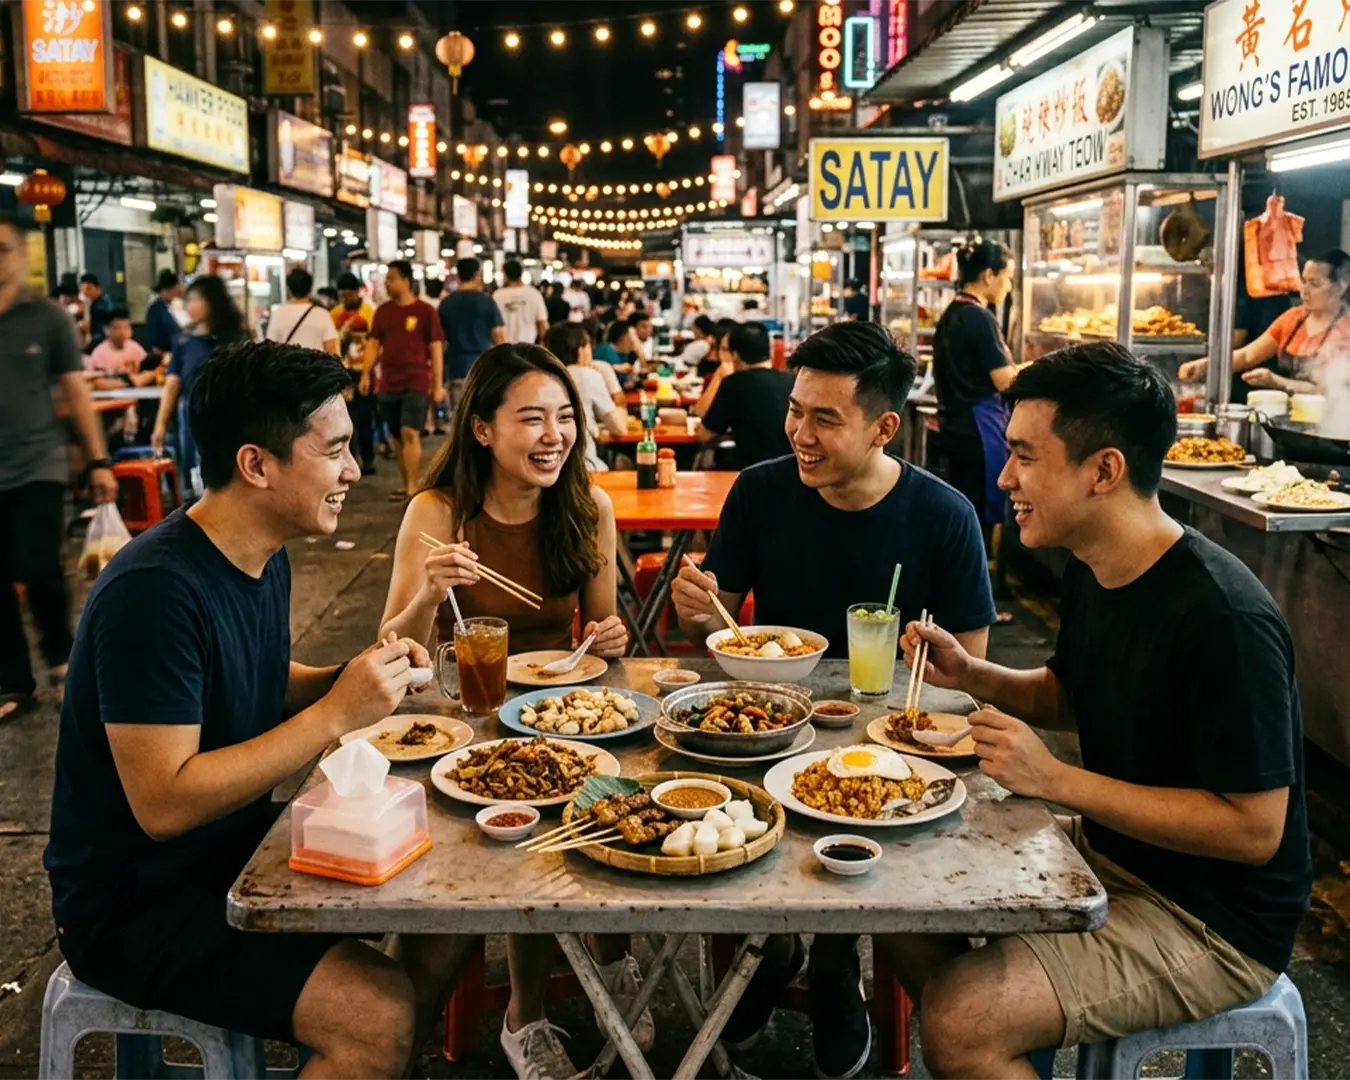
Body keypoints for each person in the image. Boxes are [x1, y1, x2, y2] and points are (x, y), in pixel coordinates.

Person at [45, 339, 472, 1079]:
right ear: (256, 464)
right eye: (334, 451)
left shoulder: (259, 550)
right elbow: (163, 802)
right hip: (138, 904)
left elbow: (260, 681)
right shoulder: (154, 593)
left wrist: (352, 677)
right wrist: (337, 714)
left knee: (454, 916)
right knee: (377, 1016)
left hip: (238, 855)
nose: (351, 471)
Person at [886, 342, 1310, 1077]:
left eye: (1024, 456)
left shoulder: (1222, 617)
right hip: (1116, 855)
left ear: (1103, 471)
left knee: (961, 1018)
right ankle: (1012, 1040)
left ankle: (990, 1034)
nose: (1004, 476)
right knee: (895, 896)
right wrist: (975, 673)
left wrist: (1054, 780)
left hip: (1213, 918)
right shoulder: (1095, 564)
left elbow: (1254, 831)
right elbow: (1069, 693)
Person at [672, 320, 996, 1080]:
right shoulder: (759, 490)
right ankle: (773, 943)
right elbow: (716, 618)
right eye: (795, 410)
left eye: (825, 418)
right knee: (715, 827)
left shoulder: (943, 515)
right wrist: (695, 607)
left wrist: (940, 681)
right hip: (766, 726)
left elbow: (971, 670)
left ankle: (832, 954)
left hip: (886, 747)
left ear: (885, 426)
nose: (799, 434)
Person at [379, 343, 639, 1080]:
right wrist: (431, 591)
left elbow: (602, 638)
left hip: (565, 715)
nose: (554, 434)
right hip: (467, 720)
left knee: (615, 809)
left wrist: (610, 638)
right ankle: (526, 1015)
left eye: (565, 417)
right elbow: (391, 648)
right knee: (535, 842)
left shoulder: (589, 505)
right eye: (532, 418)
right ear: (484, 429)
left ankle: (614, 969)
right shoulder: (437, 510)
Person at [0, 213, 118, 722]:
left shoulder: (48, 319)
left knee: (36, 562)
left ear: (24, 255)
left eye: (3, 248)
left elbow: (74, 390)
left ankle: (60, 656)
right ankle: (13, 681)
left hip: (37, 465)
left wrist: (98, 460)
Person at [931, 239, 1018, 539]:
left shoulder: (951, 313)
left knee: (963, 510)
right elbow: (1005, 381)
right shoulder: (979, 317)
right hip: (980, 433)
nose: (1009, 286)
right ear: (988, 275)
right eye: (1007, 277)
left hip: (957, 428)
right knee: (979, 517)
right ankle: (983, 581)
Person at [1180, 249, 1350, 395]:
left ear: (1340, 287)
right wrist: (1204, 365)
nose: (1304, 290)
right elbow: (1247, 356)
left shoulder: (1346, 329)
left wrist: (1278, 382)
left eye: (1314, 284)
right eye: (1303, 281)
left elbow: (1331, 392)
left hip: (1327, 425)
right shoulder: (1294, 318)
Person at [152, 276, 248, 496]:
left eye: (196, 299)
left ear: (212, 302)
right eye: (189, 300)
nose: (189, 306)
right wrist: (161, 424)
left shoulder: (235, 338)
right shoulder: (184, 340)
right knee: (195, 482)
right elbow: (173, 382)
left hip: (229, 419)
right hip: (190, 420)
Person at [363, 259, 446, 501]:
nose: (387, 284)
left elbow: (436, 349)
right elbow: (373, 344)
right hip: (389, 383)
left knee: (410, 431)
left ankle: (412, 488)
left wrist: (437, 384)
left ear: (406, 280)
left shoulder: (425, 311)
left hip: (416, 381)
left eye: (391, 278)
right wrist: (367, 373)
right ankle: (407, 481)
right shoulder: (383, 312)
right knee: (396, 435)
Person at [694, 321, 794, 469]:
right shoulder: (792, 381)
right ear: (769, 351)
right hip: (792, 472)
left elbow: (704, 435)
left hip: (749, 473)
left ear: (735, 355)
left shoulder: (734, 383)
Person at [545, 322, 627, 471]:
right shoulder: (586, 375)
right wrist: (621, 409)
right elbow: (619, 428)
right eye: (589, 346)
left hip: (548, 467)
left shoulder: (542, 376)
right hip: (584, 468)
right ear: (580, 351)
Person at [436, 258, 504, 410]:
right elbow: (498, 338)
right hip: (483, 368)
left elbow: (439, 342)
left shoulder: (446, 303)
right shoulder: (486, 302)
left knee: (460, 418)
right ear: (477, 275)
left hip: (456, 368)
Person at [266, 268, 340, 355]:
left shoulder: (279, 313)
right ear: (310, 289)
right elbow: (332, 350)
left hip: (288, 367)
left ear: (288, 289)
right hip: (316, 367)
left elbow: (270, 347)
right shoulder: (322, 314)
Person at [494, 259, 550, 344]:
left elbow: (494, 327)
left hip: (504, 350)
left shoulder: (497, 296)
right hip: (528, 349)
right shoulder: (534, 294)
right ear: (521, 274)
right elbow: (542, 324)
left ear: (505, 275)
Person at [86, 308, 148, 379]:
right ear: (107, 330)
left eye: (126, 327)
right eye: (117, 328)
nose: (122, 332)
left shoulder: (135, 348)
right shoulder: (99, 354)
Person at [144, 269, 182, 368]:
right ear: (165, 290)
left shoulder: (174, 306)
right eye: (174, 290)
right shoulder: (156, 310)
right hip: (166, 357)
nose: (176, 294)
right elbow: (155, 344)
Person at [80, 272, 114, 350]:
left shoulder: (104, 303)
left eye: (89, 289)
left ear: (98, 290)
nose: (85, 292)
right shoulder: (84, 303)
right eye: (82, 289)